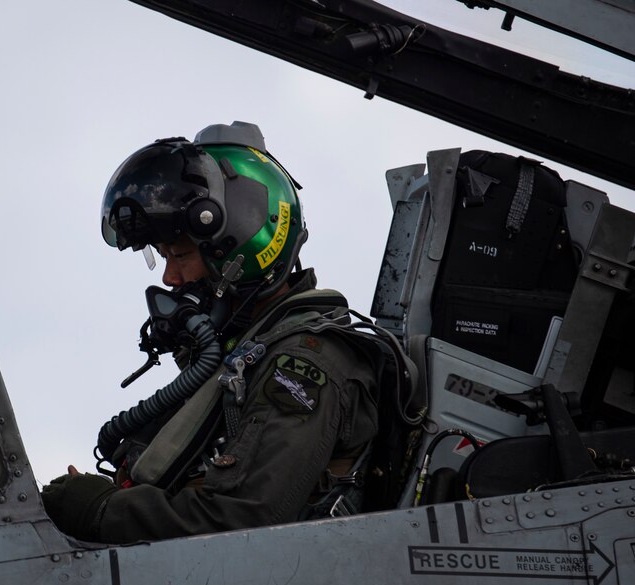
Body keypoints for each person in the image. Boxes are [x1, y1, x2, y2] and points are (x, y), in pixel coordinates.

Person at [41, 122, 384, 543]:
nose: (169, 278)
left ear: (243, 252)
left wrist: (104, 511)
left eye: (180, 255)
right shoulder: (241, 358)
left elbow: (246, 523)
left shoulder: (303, 363)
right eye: (164, 257)